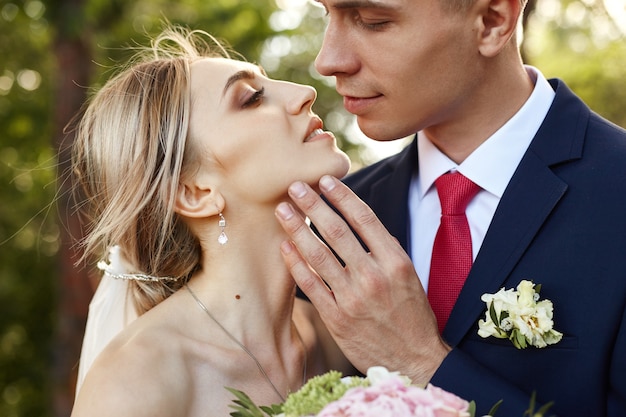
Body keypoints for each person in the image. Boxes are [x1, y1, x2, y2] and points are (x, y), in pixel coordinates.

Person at [274, 0, 626, 416]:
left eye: (373, 22)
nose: (328, 60)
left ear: (493, 21)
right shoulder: (327, 226)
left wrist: (421, 362)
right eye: (325, 15)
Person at [69, 26, 352, 416]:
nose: (305, 92)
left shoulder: (337, 331)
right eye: (251, 99)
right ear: (194, 193)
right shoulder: (135, 379)